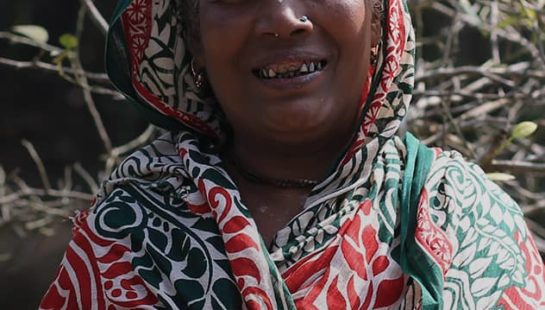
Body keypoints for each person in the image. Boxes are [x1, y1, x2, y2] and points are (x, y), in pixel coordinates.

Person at [40, 0, 545, 308]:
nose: (282, 18)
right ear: (193, 42)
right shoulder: (129, 234)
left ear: (377, 20)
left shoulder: (465, 218)